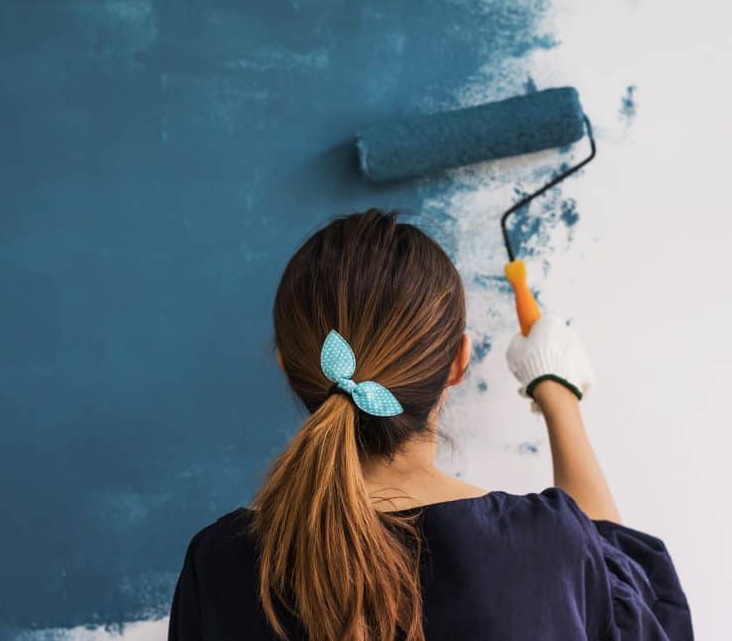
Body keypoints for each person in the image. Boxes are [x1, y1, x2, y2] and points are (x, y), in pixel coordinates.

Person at [168, 209, 691, 640]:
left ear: (288, 365)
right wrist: (558, 393)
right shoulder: (547, 549)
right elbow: (632, 592)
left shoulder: (221, 565)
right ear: (460, 363)